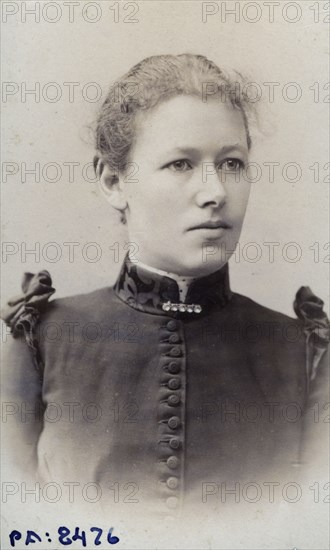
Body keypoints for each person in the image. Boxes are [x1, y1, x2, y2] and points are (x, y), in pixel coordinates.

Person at [1, 54, 329, 519]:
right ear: (114, 182)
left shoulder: (303, 354)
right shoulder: (42, 341)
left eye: (232, 163)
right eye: (180, 164)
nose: (215, 191)